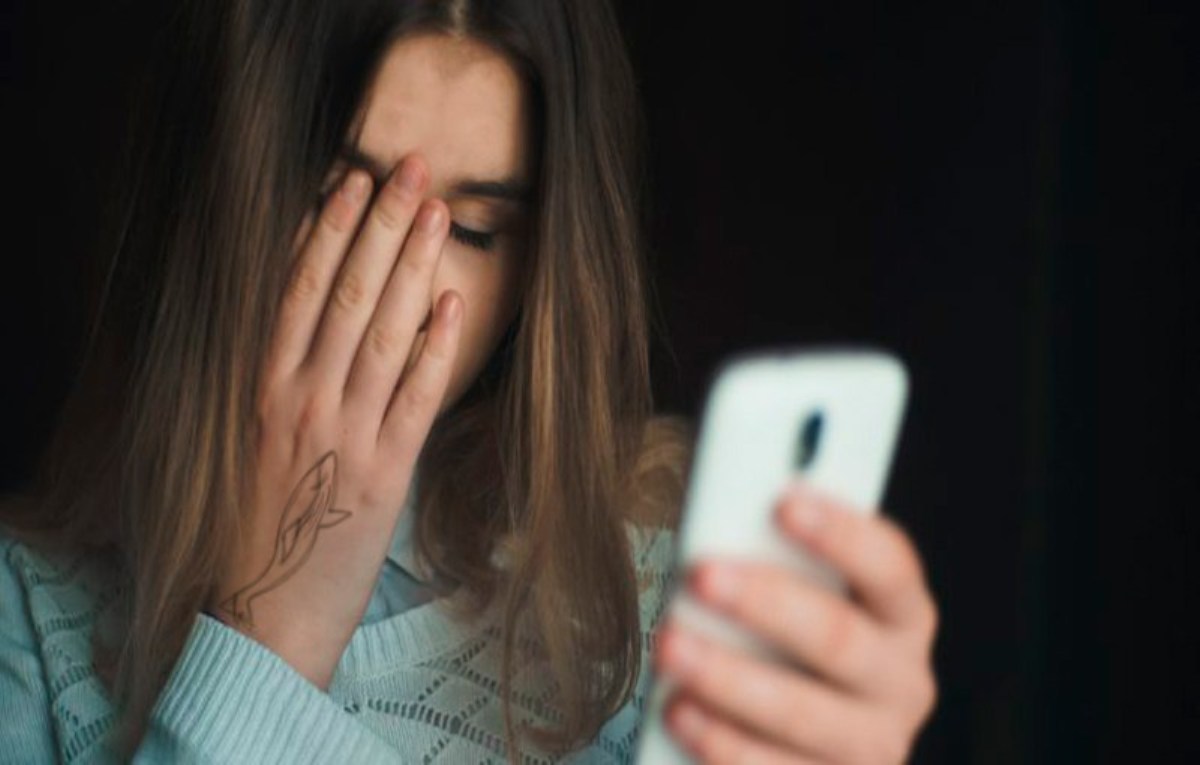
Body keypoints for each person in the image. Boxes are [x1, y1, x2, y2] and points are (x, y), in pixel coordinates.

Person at [0, 0, 940, 762]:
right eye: (344, 202)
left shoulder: (661, 591)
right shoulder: (26, 625)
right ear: (211, 193)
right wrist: (266, 641)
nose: (406, 295)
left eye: (478, 232)